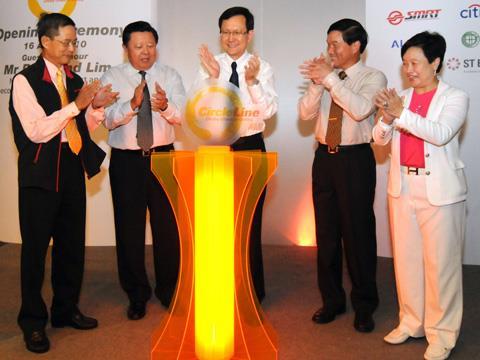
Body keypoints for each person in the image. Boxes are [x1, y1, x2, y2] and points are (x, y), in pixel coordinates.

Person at [9, 12, 117, 353]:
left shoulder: (74, 78)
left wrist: (94, 108)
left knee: (71, 248)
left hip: (71, 171)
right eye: (66, 42)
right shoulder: (25, 81)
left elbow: (80, 126)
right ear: (45, 42)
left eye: (75, 42)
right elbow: (37, 130)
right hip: (40, 177)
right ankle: (32, 322)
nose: (72, 48)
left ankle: (65, 310)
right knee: (35, 254)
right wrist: (76, 106)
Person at [373, 31, 468, 360]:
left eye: (415, 62)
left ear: (436, 62)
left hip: (439, 192)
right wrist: (385, 120)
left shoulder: (455, 97)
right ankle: (411, 322)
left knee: (441, 266)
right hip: (402, 188)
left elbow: (440, 134)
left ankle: (442, 334)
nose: (408, 69)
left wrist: (400, 113)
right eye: (405, 63)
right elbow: (380, 139)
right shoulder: (401, 97)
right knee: (407, 260)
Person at [298, 18, 386, 332]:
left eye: (336, 43)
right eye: (328, 43)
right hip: (324, 158)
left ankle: (365, 304)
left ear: (355, 46)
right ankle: (332, 300)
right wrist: (316, 83)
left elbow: (361, 109)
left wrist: (332, 81)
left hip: (355, 160)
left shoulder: (373, 76)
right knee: (326, 233)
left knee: (358, 233)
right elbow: (305, 114)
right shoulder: (327, 76)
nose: (329, 49)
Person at [101, 21, 185, 320]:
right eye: (138, 46)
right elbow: (107, 119)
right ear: (126, 49)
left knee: (168, 228)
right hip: (127, 161)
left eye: (150, 45)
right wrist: (132, 104)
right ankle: (136, 294)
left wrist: (163, 106)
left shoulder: (169, 75)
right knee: (129, 230)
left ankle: (169, 290)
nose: (145, 52)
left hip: (163, 158)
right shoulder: (112, 76)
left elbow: (181, 116)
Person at [197, 6, 278, 302]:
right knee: (217, 223)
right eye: (226, 32)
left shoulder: (262, 67)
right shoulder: (209, 65)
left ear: (250, 34)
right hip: (216, 148)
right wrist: (216, 79)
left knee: (249, 221)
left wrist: (253, 82)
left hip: (250, 145)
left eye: (237, 32)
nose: (231, 38)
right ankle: (220, 291)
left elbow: (267, 111)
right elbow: (202, 112)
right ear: (220, 34)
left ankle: (250, 292)